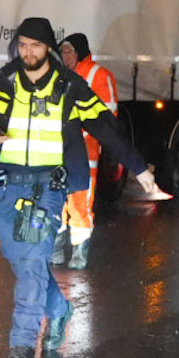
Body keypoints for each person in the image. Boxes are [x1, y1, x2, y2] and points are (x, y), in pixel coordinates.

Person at [0, 17, 161, 358]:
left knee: (31, 262)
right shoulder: (3, 81)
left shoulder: (70, 87)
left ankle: (22, 348)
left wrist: (139, 169)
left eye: (36, 46)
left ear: (48, 49)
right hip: (7, 182)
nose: (28, 52)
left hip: (48, 187)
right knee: (19, 257)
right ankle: (59, 309)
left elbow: (106, 127)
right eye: (23, 45)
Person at [56, 30, 122, 269]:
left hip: (85, 152)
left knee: (80, 202)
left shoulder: (98, 75)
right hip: (59, 150)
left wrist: (82, 132)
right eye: (62, 51)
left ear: (80, 52)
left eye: (69, 51)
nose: (65, 56)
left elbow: (107, 115)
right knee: (57, 200)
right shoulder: (61, 76)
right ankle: (56, 248)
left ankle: (79, 252)